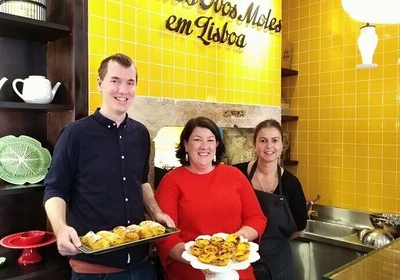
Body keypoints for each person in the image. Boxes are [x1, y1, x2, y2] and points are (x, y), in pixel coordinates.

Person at [43, 53, 174, 280]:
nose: (123, 90)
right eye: (115, 81)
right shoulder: (74, 134)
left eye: (130, 82)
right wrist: (60, 228)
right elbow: (55, 189)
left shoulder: (141, 134)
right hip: (94, 269)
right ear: (99, 83)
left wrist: (156, 212)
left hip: (142, 264)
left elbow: (141, 181)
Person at [154, 116, 267, 280]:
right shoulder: (171, 181)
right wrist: (197, 259)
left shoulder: (235, 175)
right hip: (189, 273)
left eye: (210, 140)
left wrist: (237, 239)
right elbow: (165, 235)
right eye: (197, 139)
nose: (204, 146)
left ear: (217, 145)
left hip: (236, 273)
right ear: (186, 144)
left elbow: (256, 218)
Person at [233, 119, 307, 280]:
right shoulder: (236, 174)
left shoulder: (291, 183)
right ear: (254, 144)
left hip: (278, 265)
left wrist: (274, 244)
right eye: (263, 140)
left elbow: (300, 227)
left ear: (282, 145)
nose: (269, 147)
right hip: (240, 261)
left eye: (275, 140)